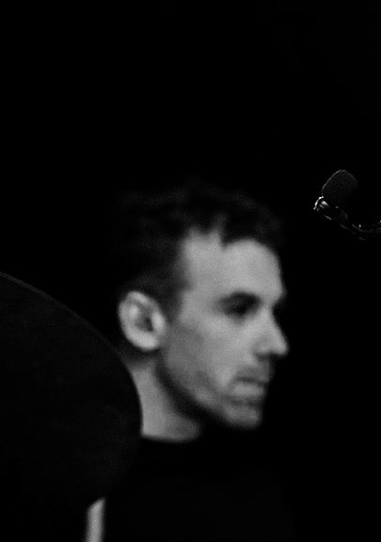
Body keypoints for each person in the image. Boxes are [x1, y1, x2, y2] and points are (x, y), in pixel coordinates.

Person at [88, 177, 297, 540]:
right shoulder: (56, 480)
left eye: (275, 312)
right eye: (240, 309)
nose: (277, 344)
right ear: (143, 322)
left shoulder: (257, 495)